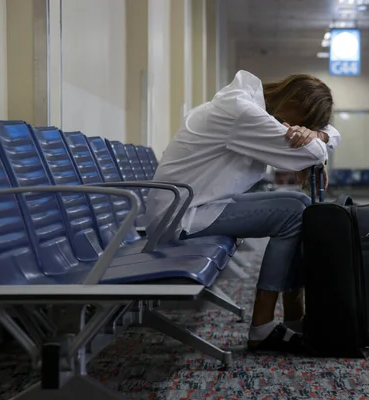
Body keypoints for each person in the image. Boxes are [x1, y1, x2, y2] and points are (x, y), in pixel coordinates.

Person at [145, 70, 341, 353]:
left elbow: (322, 143)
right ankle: (263, 327)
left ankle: (293, 317)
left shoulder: (245, 105)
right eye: (302, 121)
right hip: (181, 217)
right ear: (294, 100)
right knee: (294, 213)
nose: (294, 127)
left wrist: (320, 133)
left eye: (303, 124)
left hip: (197, 206)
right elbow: (312, 153)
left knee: (299, 204)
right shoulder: (243, 113)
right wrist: (320, 137)